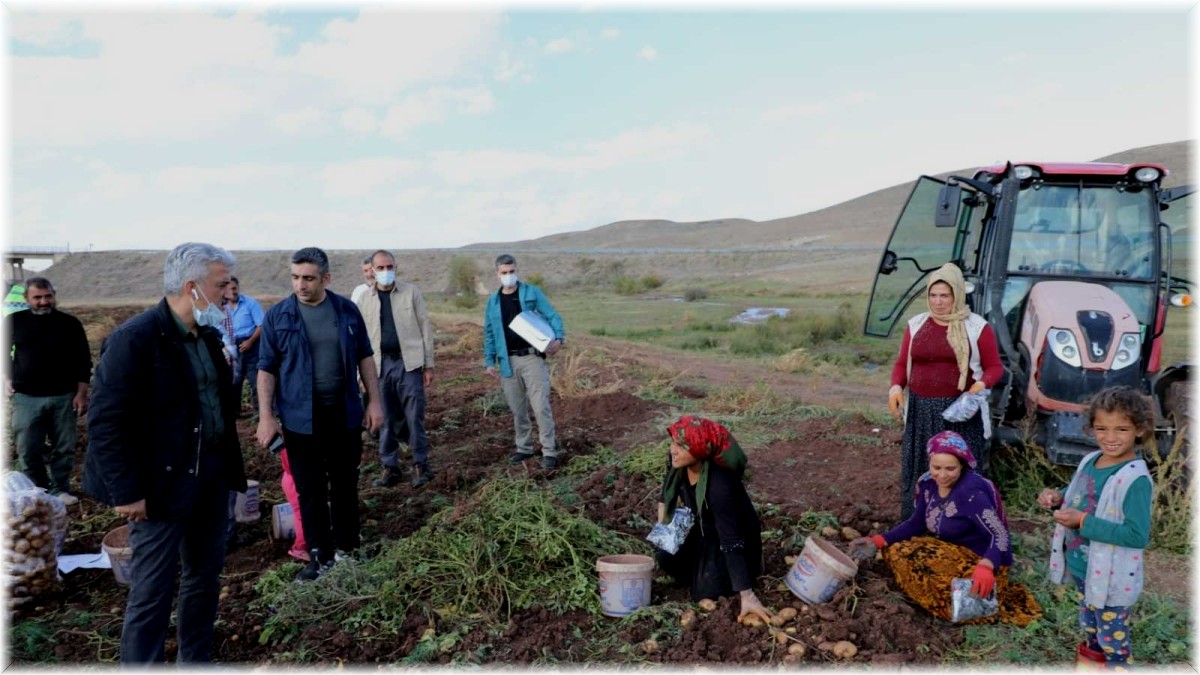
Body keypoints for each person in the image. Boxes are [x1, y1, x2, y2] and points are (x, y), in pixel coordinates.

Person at [82, 243, 248, 664]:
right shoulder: (134, 341)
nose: (229, 293)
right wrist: (126, 492)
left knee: (203, 578)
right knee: (152, 591)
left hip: (208, 477)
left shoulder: (207, 338)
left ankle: (194, 662)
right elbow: (106, 423)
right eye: (221, 284)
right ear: (192, 288)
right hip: (158, 486)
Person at [255, 246, 383, 582]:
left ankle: (347, 549)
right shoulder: (278, 316)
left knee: (344, 485)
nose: (301, 285)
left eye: (309, 278)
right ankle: (319, 556)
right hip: (300, 421)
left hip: (343, 415)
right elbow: (266, 368)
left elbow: (365, 357)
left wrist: (374, 401)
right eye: (295, 277)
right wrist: (266, 416)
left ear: (326, 278)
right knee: (308, 489)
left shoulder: (346, 311)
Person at [851, 431, 1041, 627]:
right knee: (897, 550)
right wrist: (878, 540)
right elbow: (917, 522)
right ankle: (944, 603)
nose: (942, 475)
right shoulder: (928, 484)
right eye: (936, 467)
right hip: (952, 550)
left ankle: (951, 611)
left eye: (950, 468)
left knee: (919, 565)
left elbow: (1000, 534)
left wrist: (986, 565)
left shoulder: (971, 493)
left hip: (982, 559)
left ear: (962, 466)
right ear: (929, 462)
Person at [1039, 386, 1154, 668]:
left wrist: (1083, 522)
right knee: (1092, 632)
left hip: (1112, 578)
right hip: (1084, 569)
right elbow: (1079, 494)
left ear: (1139, 430)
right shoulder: (1090, 461)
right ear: (1091, 428)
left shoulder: (1135, 480)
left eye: (1121, 429)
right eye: (1102, 428)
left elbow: (1137, 535)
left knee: (1113, 642)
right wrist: (1057, 498)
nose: (1110, 438)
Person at [888, 262, 1003, 519]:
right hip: (920, 411)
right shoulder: (917, 325)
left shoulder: (976, 327)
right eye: (933, 295)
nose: (938, 302)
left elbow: (995, 367)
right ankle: (916, 520)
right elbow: (900, 364)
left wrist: (981, 384)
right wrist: (896, 388)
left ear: (958, 295)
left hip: (958, 413)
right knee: (921, 466)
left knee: (955, 470)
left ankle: (958, 524)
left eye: (945, 295)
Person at [655, 416, 770, 623]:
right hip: (701, 525)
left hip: (731, 536)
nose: (673, 449)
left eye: (681, 446)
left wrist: (747, 594)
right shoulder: (678, 462)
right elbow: (666, 494)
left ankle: (751, 566)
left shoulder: (719, 486)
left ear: (699, 449)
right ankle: (703, 566)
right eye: (673, 442)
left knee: (705, 594)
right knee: (665, 556)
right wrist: (665, 537)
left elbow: (731, 540)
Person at [3, 277, 92, 505]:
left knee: (64, 447)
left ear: (54, 295)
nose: (43, 302)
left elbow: (83, 359)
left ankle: (60, 488)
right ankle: (37, 490)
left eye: (48, 296)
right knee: (28, 448)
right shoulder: (13, 322)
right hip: (26, 397)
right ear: (27, 299)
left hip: (64, 396)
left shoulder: (70, 323)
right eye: (37, 297)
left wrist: (82, 392)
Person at [355, 250, 436, 488]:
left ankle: (421, 464)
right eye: (380, 268)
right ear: (372, 269)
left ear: (395, 267)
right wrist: (360, 374)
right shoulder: (364, 300)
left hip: (408, 363)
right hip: (378, 366)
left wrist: (428, 364)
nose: (385, 272)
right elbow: (359, 340)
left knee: (414, 415)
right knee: (385, 418)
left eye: (389, 267)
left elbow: (425, 327)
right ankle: (390, 467)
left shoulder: (411, 292)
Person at [482, 254, 564, 470]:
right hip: (507, 361)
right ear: (497, 274)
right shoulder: (493, 301)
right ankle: (524, 448)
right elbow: (489, 332)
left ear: (516, 271)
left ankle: (549, 451)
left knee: (540, 406)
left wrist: (559, 338)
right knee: (518, 409)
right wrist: (490, 361)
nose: (508, 276)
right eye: (504, 273)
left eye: (512, 271)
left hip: (531, 357)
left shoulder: (531, 293)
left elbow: (553, 315)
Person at [225, 276, 265, 410]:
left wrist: (250, 341)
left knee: (256, 380)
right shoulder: (221, 306)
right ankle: (234, 413)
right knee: (234, 380)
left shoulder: (250, 303)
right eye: (230, 289)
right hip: (230, 346)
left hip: (251, 345)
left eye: (235, 288)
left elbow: (261, 325)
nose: (233, 291)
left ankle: (260, 413)